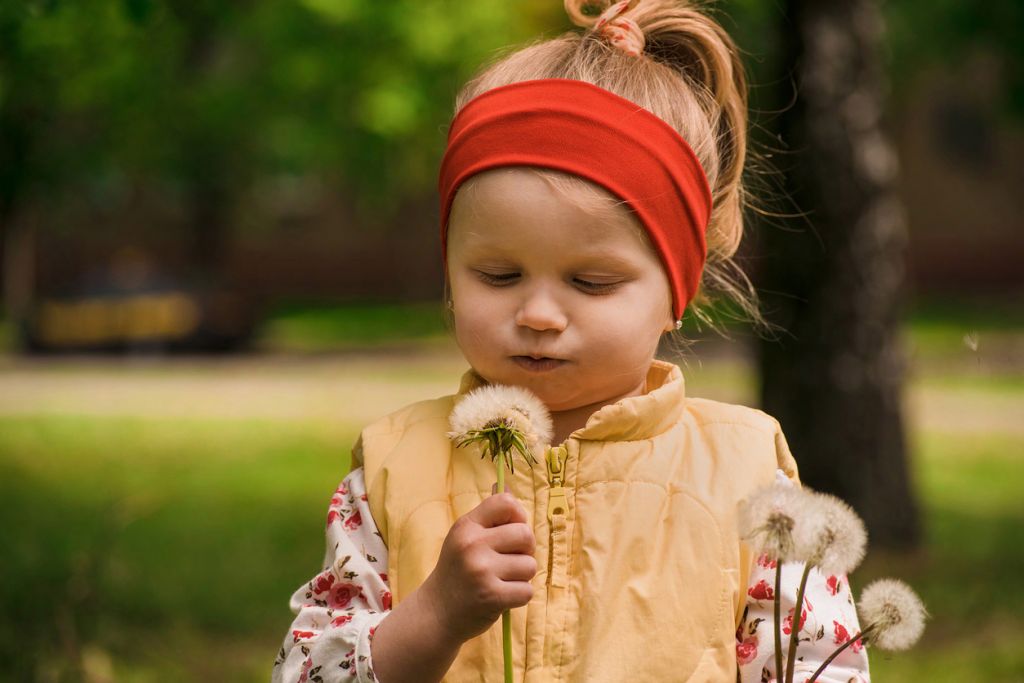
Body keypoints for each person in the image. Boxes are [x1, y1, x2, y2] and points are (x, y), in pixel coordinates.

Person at [272, 1, 871, 681]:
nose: (538, 313)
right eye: (498, 275)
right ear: (449, 273)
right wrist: (434, 614)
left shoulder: (746, 478)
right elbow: (305, 673)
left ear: (677, 290)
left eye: (590, 281)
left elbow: (826, 669)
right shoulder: (392, 471)